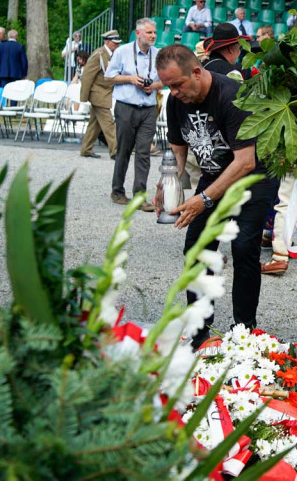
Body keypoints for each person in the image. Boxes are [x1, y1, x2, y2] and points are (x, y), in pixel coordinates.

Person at [155, 44, 278, 348]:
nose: (174, 92)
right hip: (215, 174)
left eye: (178, 84)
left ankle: (244, 332)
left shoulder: (231, 96)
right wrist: (169, 179)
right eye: (169, 86)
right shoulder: (175, 100)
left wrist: (204, 199)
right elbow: (179, 145)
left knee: (244, 245)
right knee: (196, 248)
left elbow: (245, 161)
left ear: (197, 72)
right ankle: (199, 331)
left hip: (254, 176)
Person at [104, 18, 161, 210]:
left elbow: (166, 80)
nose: (153, 35)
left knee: (144, 152)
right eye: (149, 32)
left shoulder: (159, 54)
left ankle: (139, 197)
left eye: (154, 32)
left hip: (149, 109)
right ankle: (117, 191)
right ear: (138, 33)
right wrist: (130, 79)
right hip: (126, 107)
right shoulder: (122, 52)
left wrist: (153, 85)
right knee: (124, 150)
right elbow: (108, 76)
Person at [79, 30, 123, 160]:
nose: (117, 45)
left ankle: (86, 149)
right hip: (98, 94)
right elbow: (87, 76)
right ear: (108, 42)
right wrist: (84, 96)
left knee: (95, 124)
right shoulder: (98, 55)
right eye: (115, 43)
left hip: (104, 93)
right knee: (108, 123)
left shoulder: (110, 54)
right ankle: (116, 151)